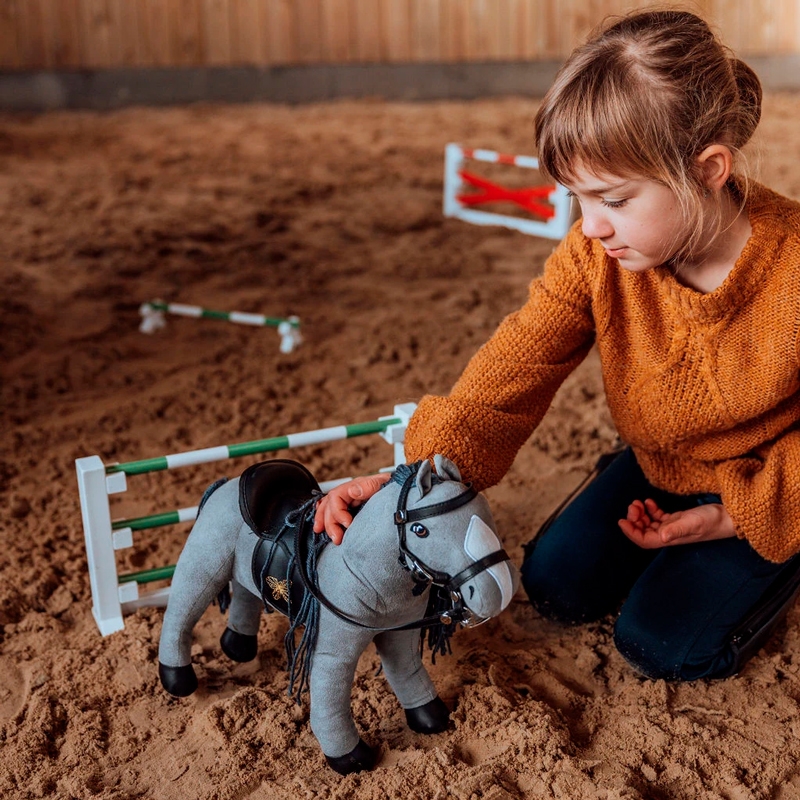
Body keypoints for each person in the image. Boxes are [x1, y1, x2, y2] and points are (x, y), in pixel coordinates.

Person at [314, 8, 800, 681]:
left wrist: (733, 517)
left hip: (772, 480)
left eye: (614, 199)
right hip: (660, 463)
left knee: (664, 647)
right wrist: (411, 480)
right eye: (576, 197)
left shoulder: (792, 271)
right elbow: (518, 362)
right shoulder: (595, 252)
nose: (590, 225)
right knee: (555, 586)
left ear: (709, 169)